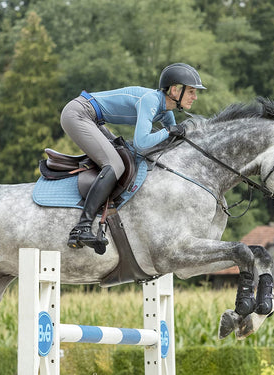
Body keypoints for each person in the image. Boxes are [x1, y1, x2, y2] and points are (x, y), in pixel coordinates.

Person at [61, 62, 206, 253]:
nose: (195, 97)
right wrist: (170, 130)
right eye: (191, 92)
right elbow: (142, 143)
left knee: (126, 156)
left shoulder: (165, 109)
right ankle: (82, 227)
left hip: (93, 118)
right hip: (78, 113)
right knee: (115, 165)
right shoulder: (151, 101)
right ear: (174, 90)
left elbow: (171, 139)